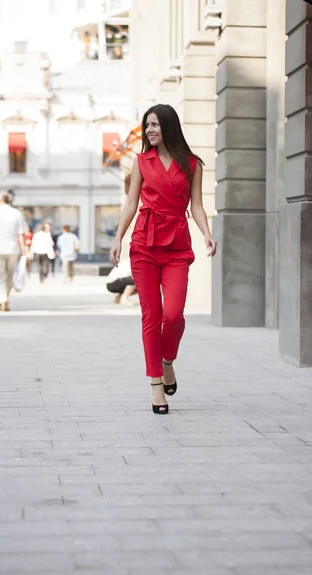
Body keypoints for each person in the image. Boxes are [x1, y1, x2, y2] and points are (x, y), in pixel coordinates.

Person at [110, 104, 217, 414]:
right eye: (147, 126)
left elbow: (196, 205)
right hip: (144, 242)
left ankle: (167, 360)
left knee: (173, 316)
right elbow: (131, 203)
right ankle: (156, 383)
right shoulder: (141, 161)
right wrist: (118, 237)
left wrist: (207, 233)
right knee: (151, 316)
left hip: (177, 245)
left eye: (155, 125)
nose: (150, 131)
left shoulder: (193, 164)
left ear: (169, 126)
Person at [0, 192, 27, 312]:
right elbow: (21, 234)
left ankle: (2, 298)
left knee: (0, 276)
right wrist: (24, 249)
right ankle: (7, 298)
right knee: (10, 275)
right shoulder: (16, 213)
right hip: (13, 249)